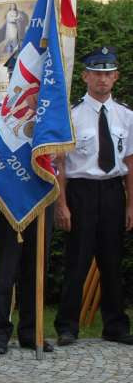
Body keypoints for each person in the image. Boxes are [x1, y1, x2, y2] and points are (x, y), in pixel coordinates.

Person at [54, 46, 133, 346]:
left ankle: (115, 325)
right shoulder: (72, 115)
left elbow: (130, 163)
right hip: (81, 192)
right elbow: (60, 163)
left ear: (116, 77)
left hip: (113, 190)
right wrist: (62, 203)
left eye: (108, 74)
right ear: (85, 76)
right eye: (97, 74)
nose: (102, 79)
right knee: (77, 260)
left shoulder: (125, 115)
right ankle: (67, 326)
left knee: (112, 261)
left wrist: (130, 204)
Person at [0, 53, 53, 354]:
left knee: (36, 266)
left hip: (39, 198)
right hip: (4, 197)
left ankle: (31, 332)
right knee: (4, 267)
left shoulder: (48, 120)